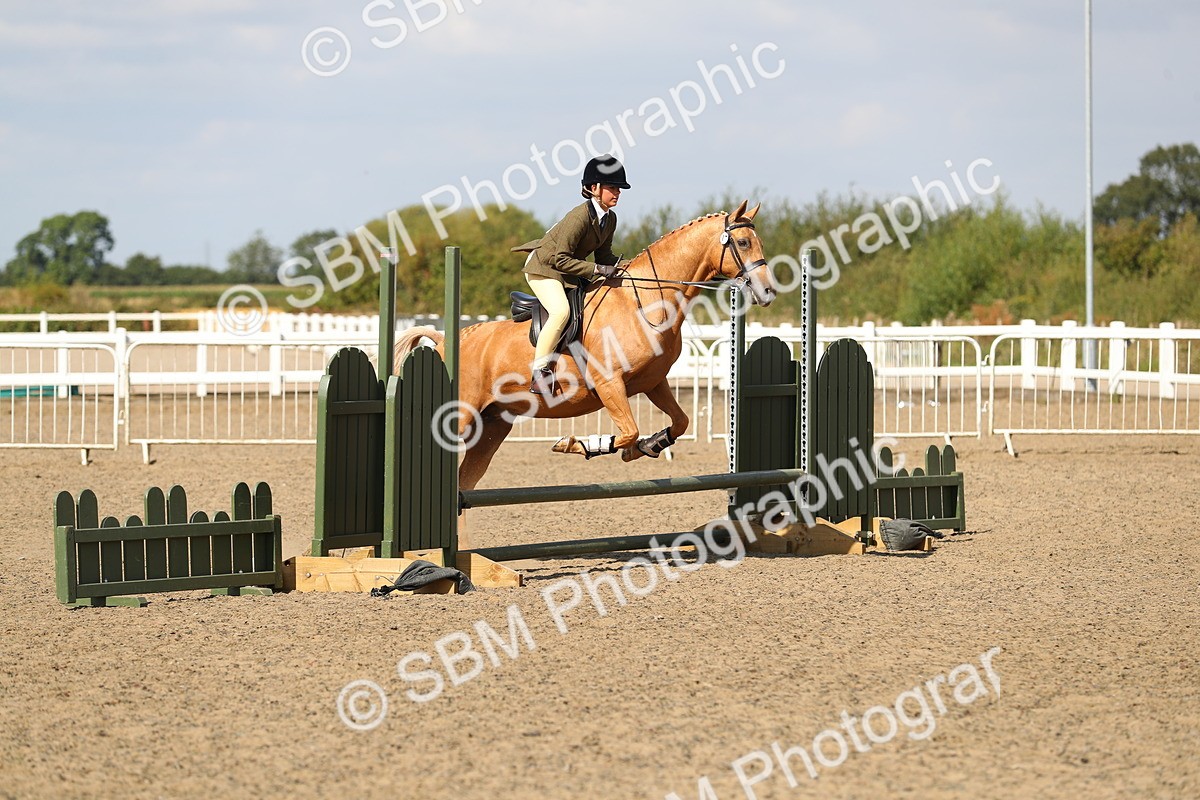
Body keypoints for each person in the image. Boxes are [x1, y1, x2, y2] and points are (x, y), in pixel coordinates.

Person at [514, 154, 631, 395]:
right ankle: (540, 372)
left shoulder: (610, 219)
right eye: (612, 187)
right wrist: (598, 270)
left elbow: (604, 257)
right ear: (593, 188)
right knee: (561, 312)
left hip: (566, 269)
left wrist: (634, 266)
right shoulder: (579, 216)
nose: (617, 192)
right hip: (544, 267)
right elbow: (560, 258)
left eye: (619, 188)